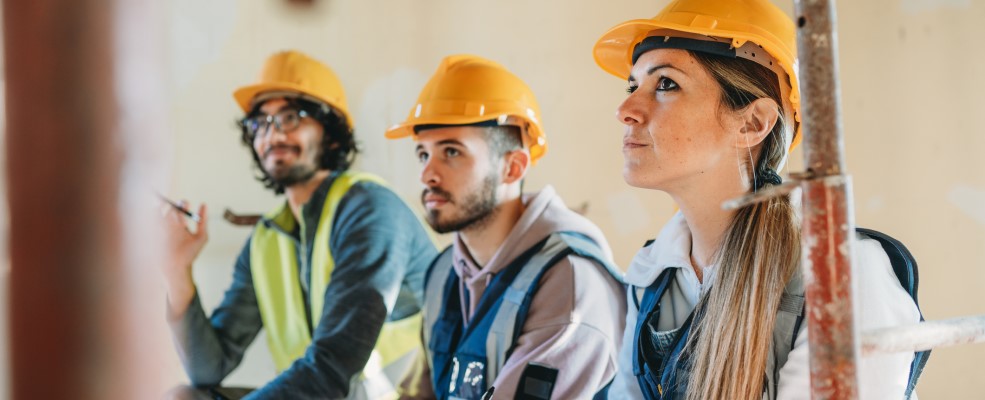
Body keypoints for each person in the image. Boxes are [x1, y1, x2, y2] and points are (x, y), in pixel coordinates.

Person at [592, 1, 922, 399]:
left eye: (665, 84)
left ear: (753, 123)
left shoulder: (842, 274)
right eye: (633, 86)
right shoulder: (651, 275)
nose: (625, 110)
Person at [161, 50, 437, 399]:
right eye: (260, 123)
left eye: (290, 117)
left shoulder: (370, 210)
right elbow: (207, 367)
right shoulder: (267, 239)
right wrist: (176, 268)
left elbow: (334, 368)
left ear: (333, 133)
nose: (272, 134)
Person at [387, 55, 626, 399]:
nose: (427, 175)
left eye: (451, 152)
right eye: (423, 154)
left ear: (513, 167)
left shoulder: (570, 283)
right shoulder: (443, 273)